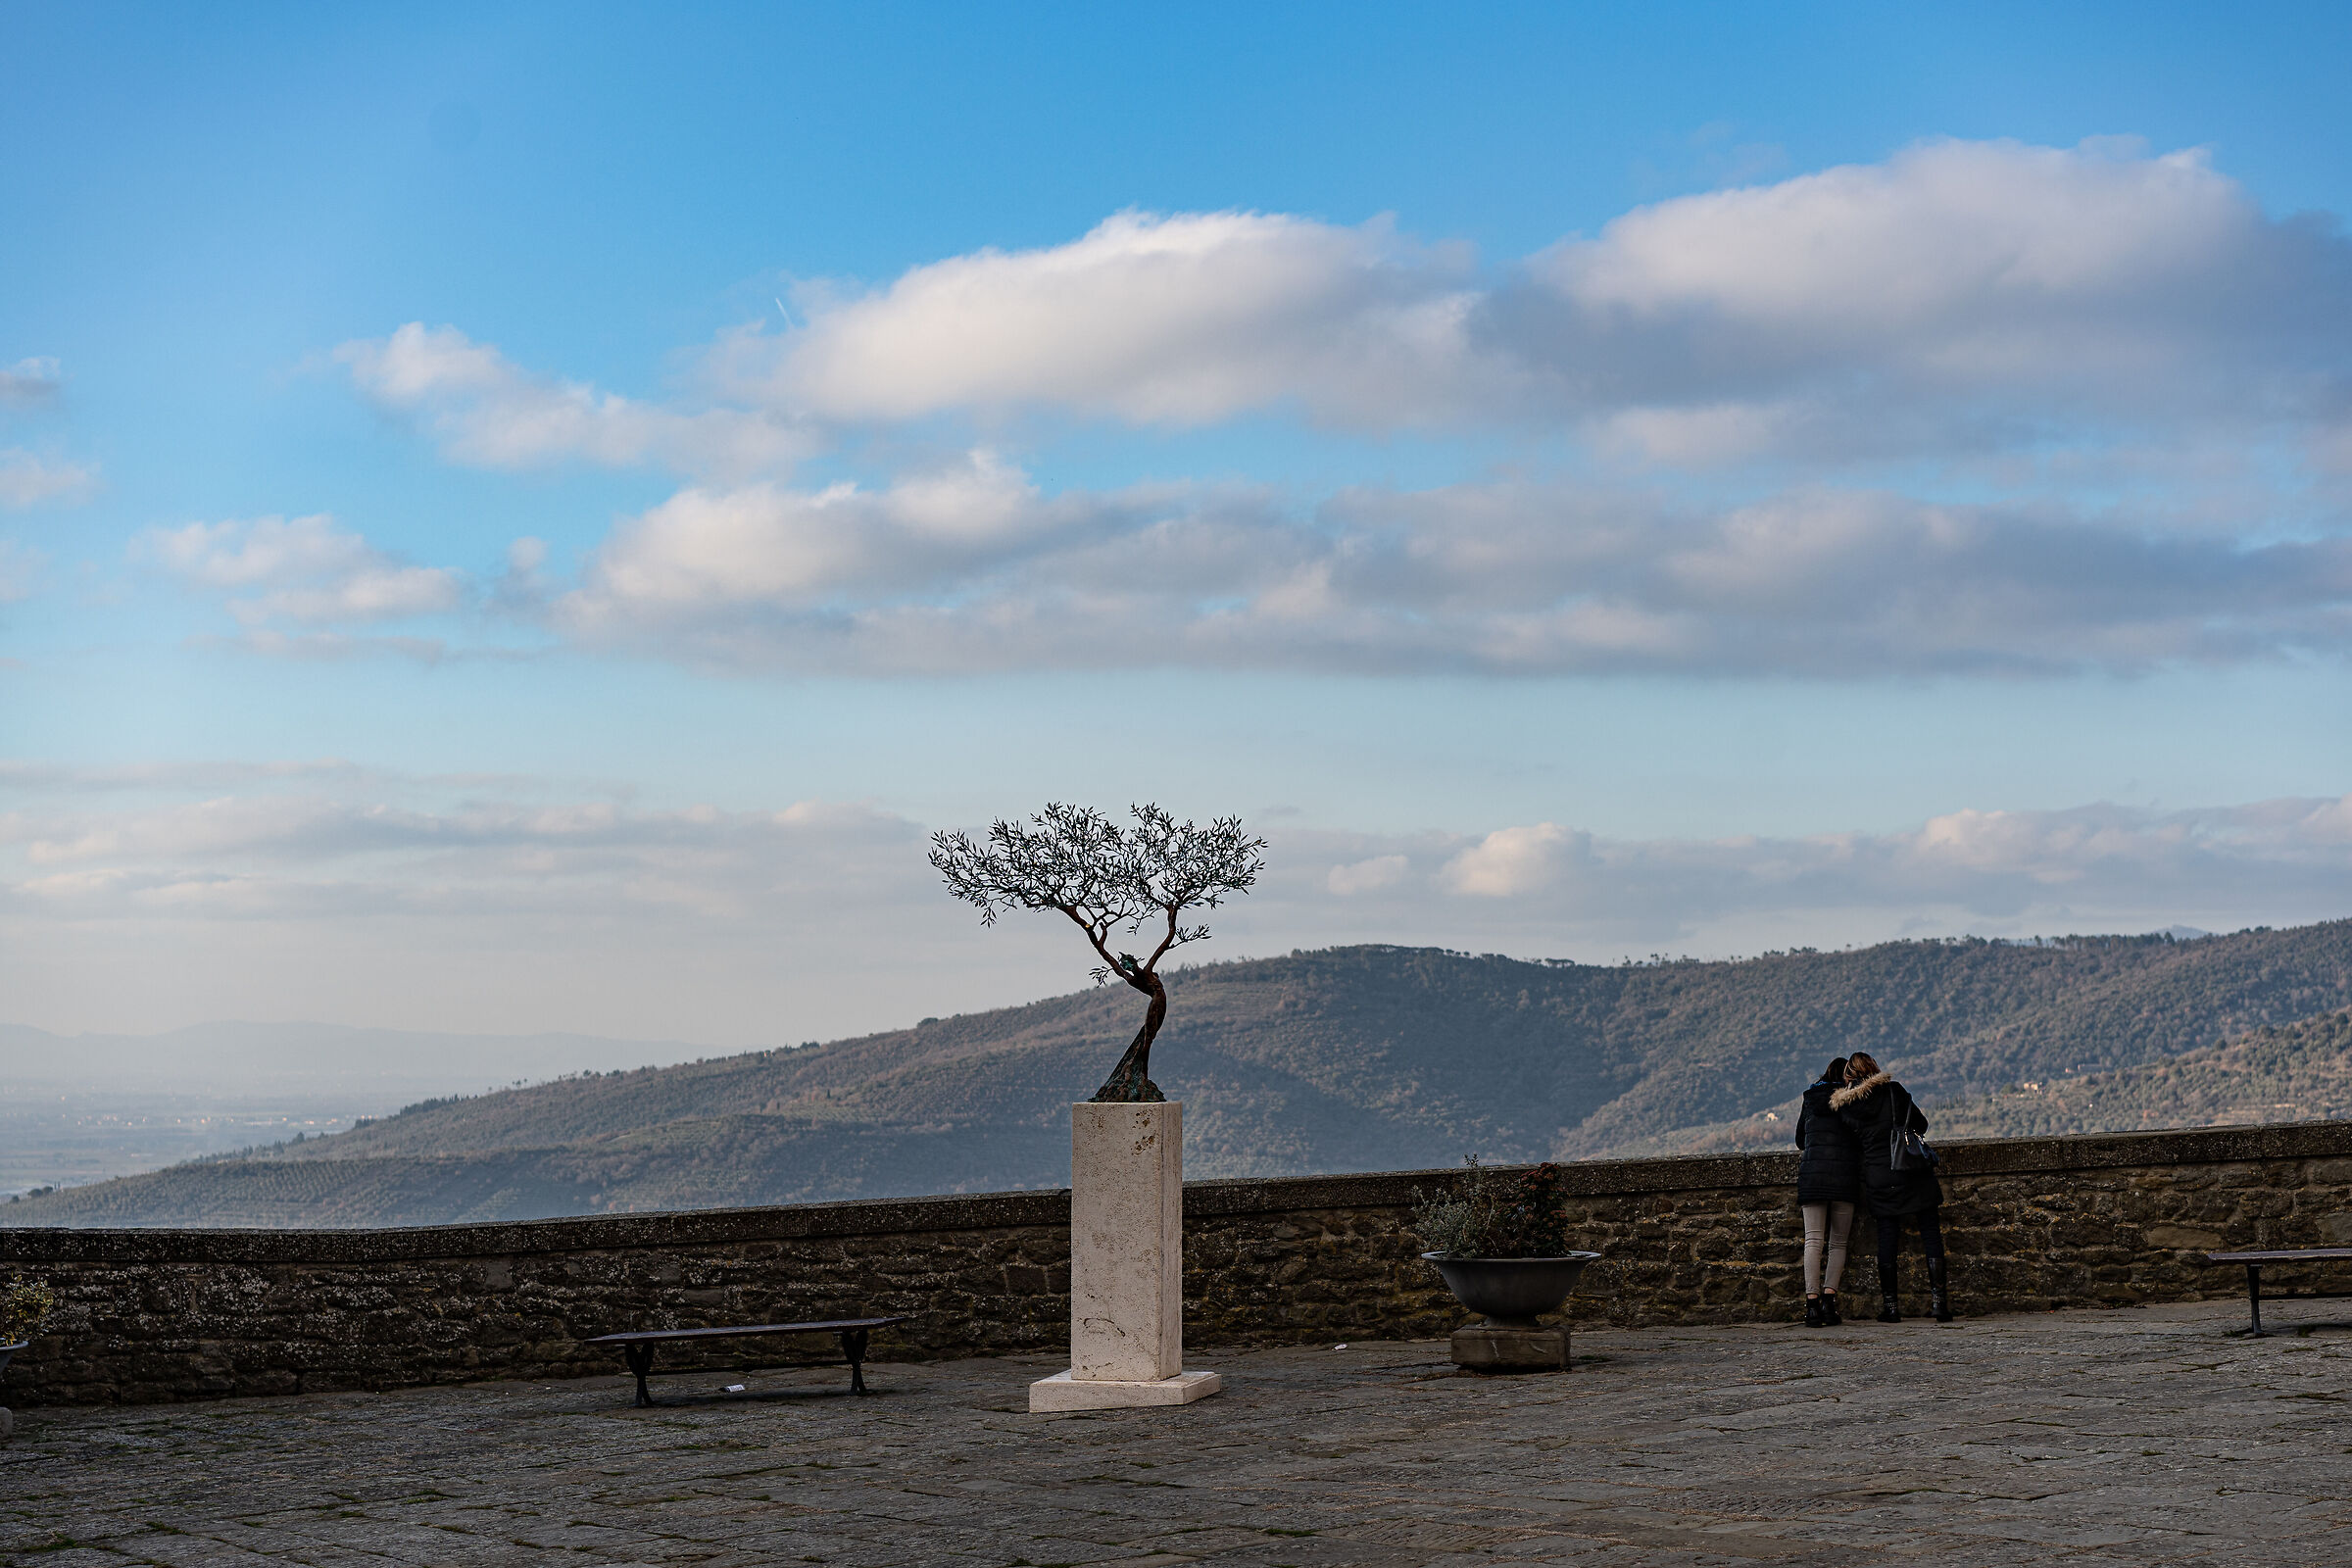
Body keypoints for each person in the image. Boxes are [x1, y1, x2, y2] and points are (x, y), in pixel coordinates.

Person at [1832, 1051, 1953, 1323]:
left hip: (1879, 1177)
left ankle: (1891, 1308)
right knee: (1931, 1234)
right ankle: (1939, 1305)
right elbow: (1921, 1123)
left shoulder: (1847, 1107)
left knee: (1887, 1239)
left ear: (1849, 1078)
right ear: (1874, 1069)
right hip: (1911, 1172)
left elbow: (1851, 1144)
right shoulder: (1894, 1091)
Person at [1791, 1055, 1862, 1327]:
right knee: (1838, 1243)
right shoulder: (1850, 1099)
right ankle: (1829, 1303)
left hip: (1812, 1177)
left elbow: (1800, 1140)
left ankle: (1811, 1305)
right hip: (1844, 1177)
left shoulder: (1810, 1099)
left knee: (1813, 1241)